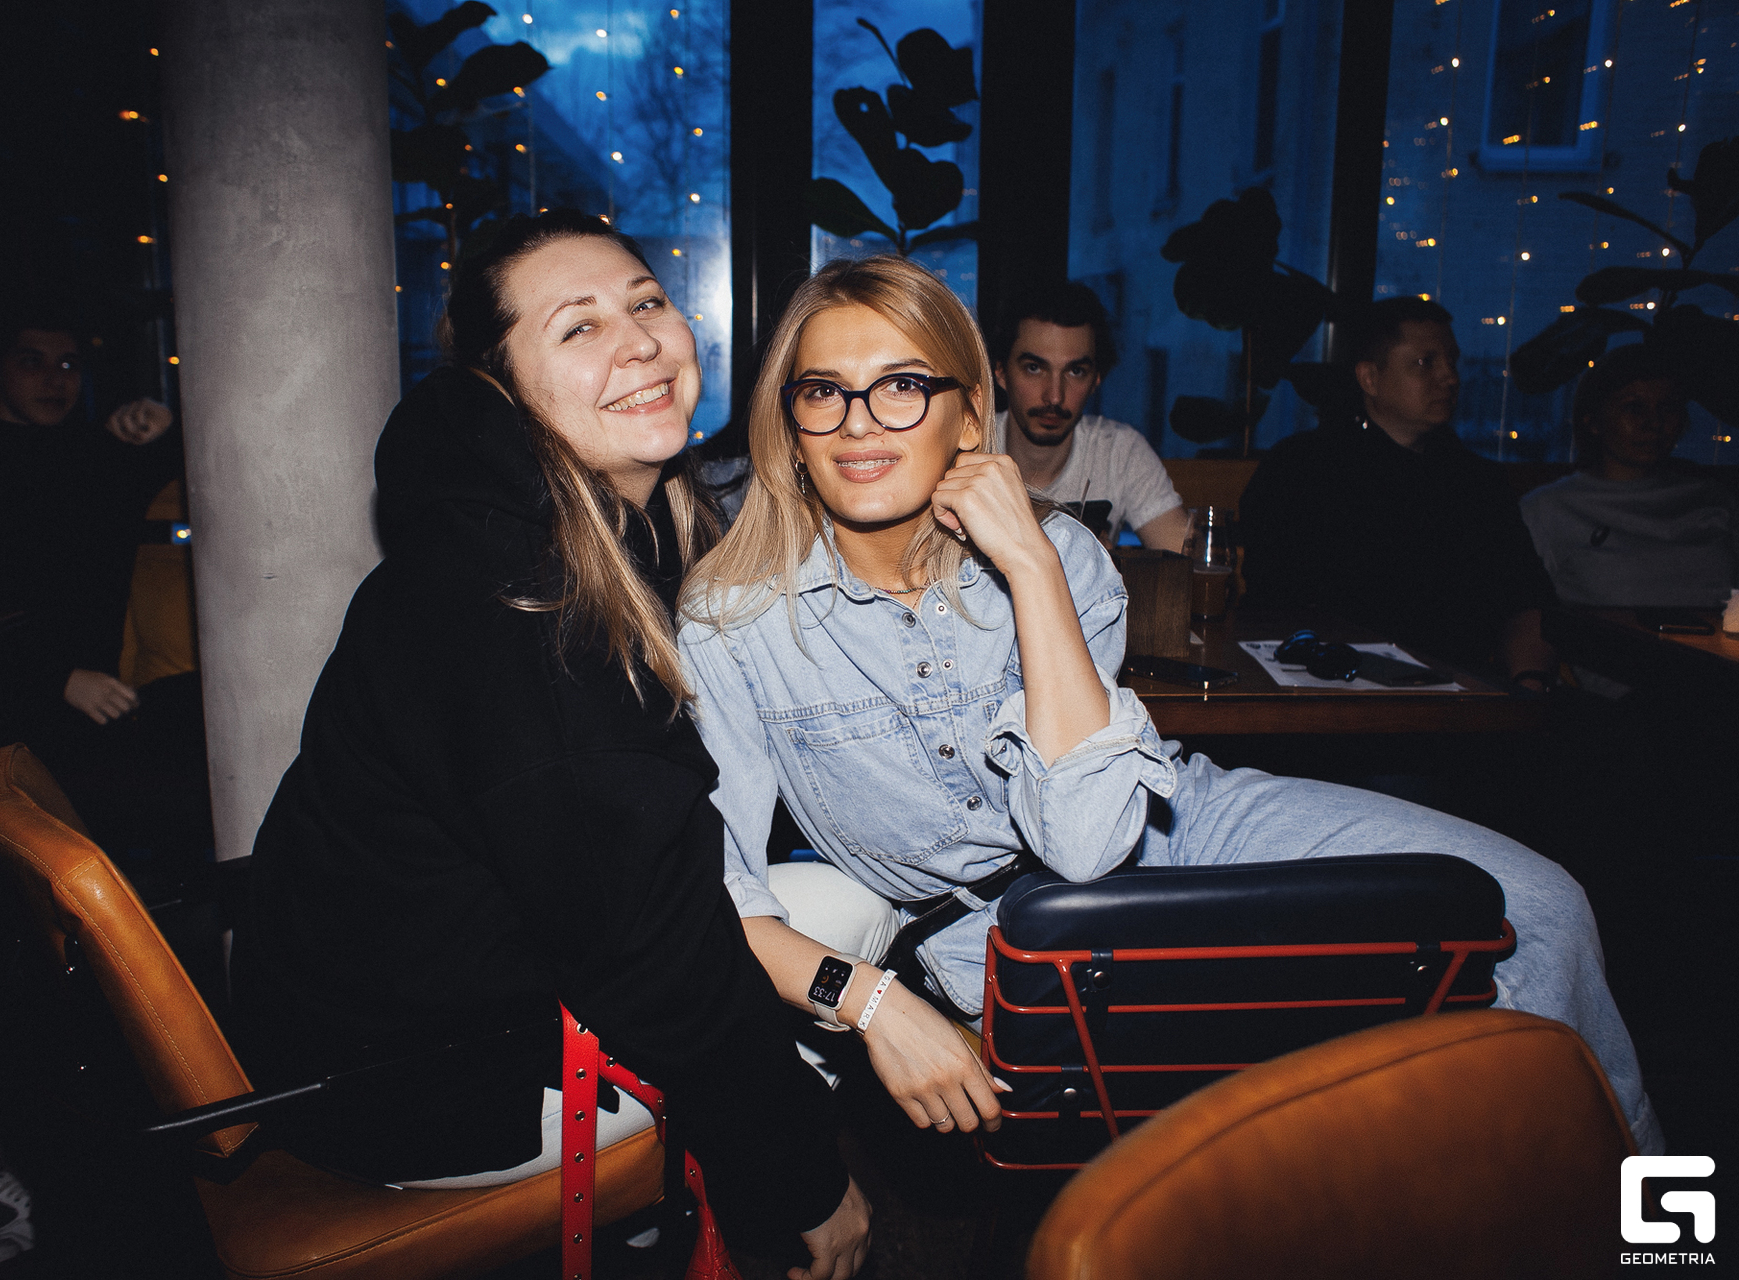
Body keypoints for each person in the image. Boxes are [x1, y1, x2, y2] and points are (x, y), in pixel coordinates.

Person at [675, 256, 1662, 1155]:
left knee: (1539, 908)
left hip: (1178, 821)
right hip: (990, 930)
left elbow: (1091, 833)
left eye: (900, 386)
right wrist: (872, 1000)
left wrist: (1029, 562)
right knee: (1266, 1121)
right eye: (823, 391)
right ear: (790, 426)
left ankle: (1635, 1227)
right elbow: (716, 884)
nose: (857, 423)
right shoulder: (733, 617)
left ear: (970, 417)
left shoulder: (1060, 559)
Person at [229, 210, 867, 1280]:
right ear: (502, 386)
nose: (640, 341)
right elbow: (652, 949)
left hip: (396, 1018)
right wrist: (805, 1174)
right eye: (579, 327)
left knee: (793, 914)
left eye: (647, 302)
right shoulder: (523, 600)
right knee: (847, 914)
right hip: (418, 1091)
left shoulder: (573, 527)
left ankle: (663, 1217)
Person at [1240, 296, 1561, 691]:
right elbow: (1277, 606)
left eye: (1452, 362)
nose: (1450, 378)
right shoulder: (1302, 470)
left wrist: (1528, 686)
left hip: (1465, 694)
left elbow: (1526, 601)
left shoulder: (1477, 482)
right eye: (1425, 363)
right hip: (1331, 687)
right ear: (1370, 378)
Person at [0, 312, 180, 727]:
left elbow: (205, 457)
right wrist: (58, 679)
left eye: (68, 364)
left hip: (103, 708)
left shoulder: (105, 462)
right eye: (31, 362)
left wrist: (163, 417)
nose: (55, 380)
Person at [1521, 343, 1738, 609]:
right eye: (1634, 408)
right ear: (1593, 421)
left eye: (1667, 408)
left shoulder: (1715, 500)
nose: (1654, 423)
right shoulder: (1549, 509)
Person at [986, 280, 1189, 552]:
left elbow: (1187, 559)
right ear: (1001, 371)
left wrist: (1109, 565)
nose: (1054, 396)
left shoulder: (1118, 451)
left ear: (1096, 379)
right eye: (1034, 368)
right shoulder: (970, 449)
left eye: (1075, 371)